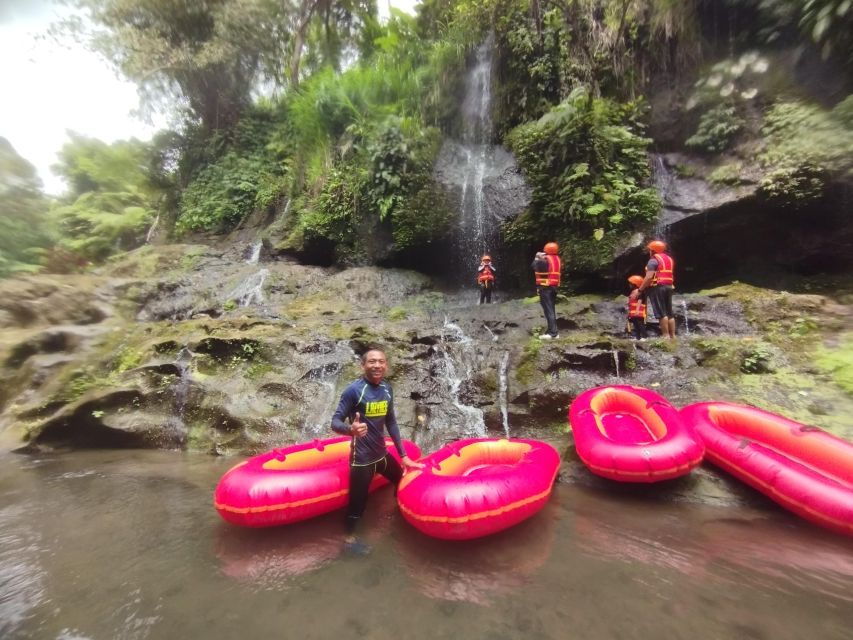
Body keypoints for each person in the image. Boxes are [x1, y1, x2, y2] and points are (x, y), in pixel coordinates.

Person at [330, 347, 423, 551]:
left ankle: (400, 513)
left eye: (381, 361)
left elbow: (391, 422)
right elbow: (334, 421)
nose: (377, 365)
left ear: (386, 365)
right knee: (357, 506)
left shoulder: (387, 389)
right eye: (372, 361)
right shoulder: (354, 391)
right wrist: (350, 430)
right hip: (361, 459)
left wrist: (404, 456)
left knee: (399, 479)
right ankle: (349, 539)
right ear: (363, 365)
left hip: (381, 455)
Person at [637, 240, 676, 339]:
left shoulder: (653, 260)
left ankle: (665, 336)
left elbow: (649, 277)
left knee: (661, 313)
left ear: (653, 250)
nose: (649, 251)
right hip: (669, 286)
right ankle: (673, 336)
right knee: (669, 313)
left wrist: (640, 289)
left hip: (658, 287)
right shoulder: (669, 259)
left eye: (650, 249)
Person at [532, 242, 562, 339]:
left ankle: (553, 333)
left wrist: (537, 257)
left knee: (548, 310)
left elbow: (534, 266)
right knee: (551, 309)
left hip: (546, 288)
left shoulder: (544, 260)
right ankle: (551, 331)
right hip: (554, 287)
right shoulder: (556, 259)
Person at [626, 275, 647, 340]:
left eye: (631, 283)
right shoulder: (633, 292)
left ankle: (644, 337)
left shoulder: (639, 292)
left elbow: (640, 300)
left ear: (635, 284)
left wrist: (637, 310)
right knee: (636, 325)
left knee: (640, 324)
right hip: (633, 313)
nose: (629, 285)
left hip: (638, 312)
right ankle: (637, 337)